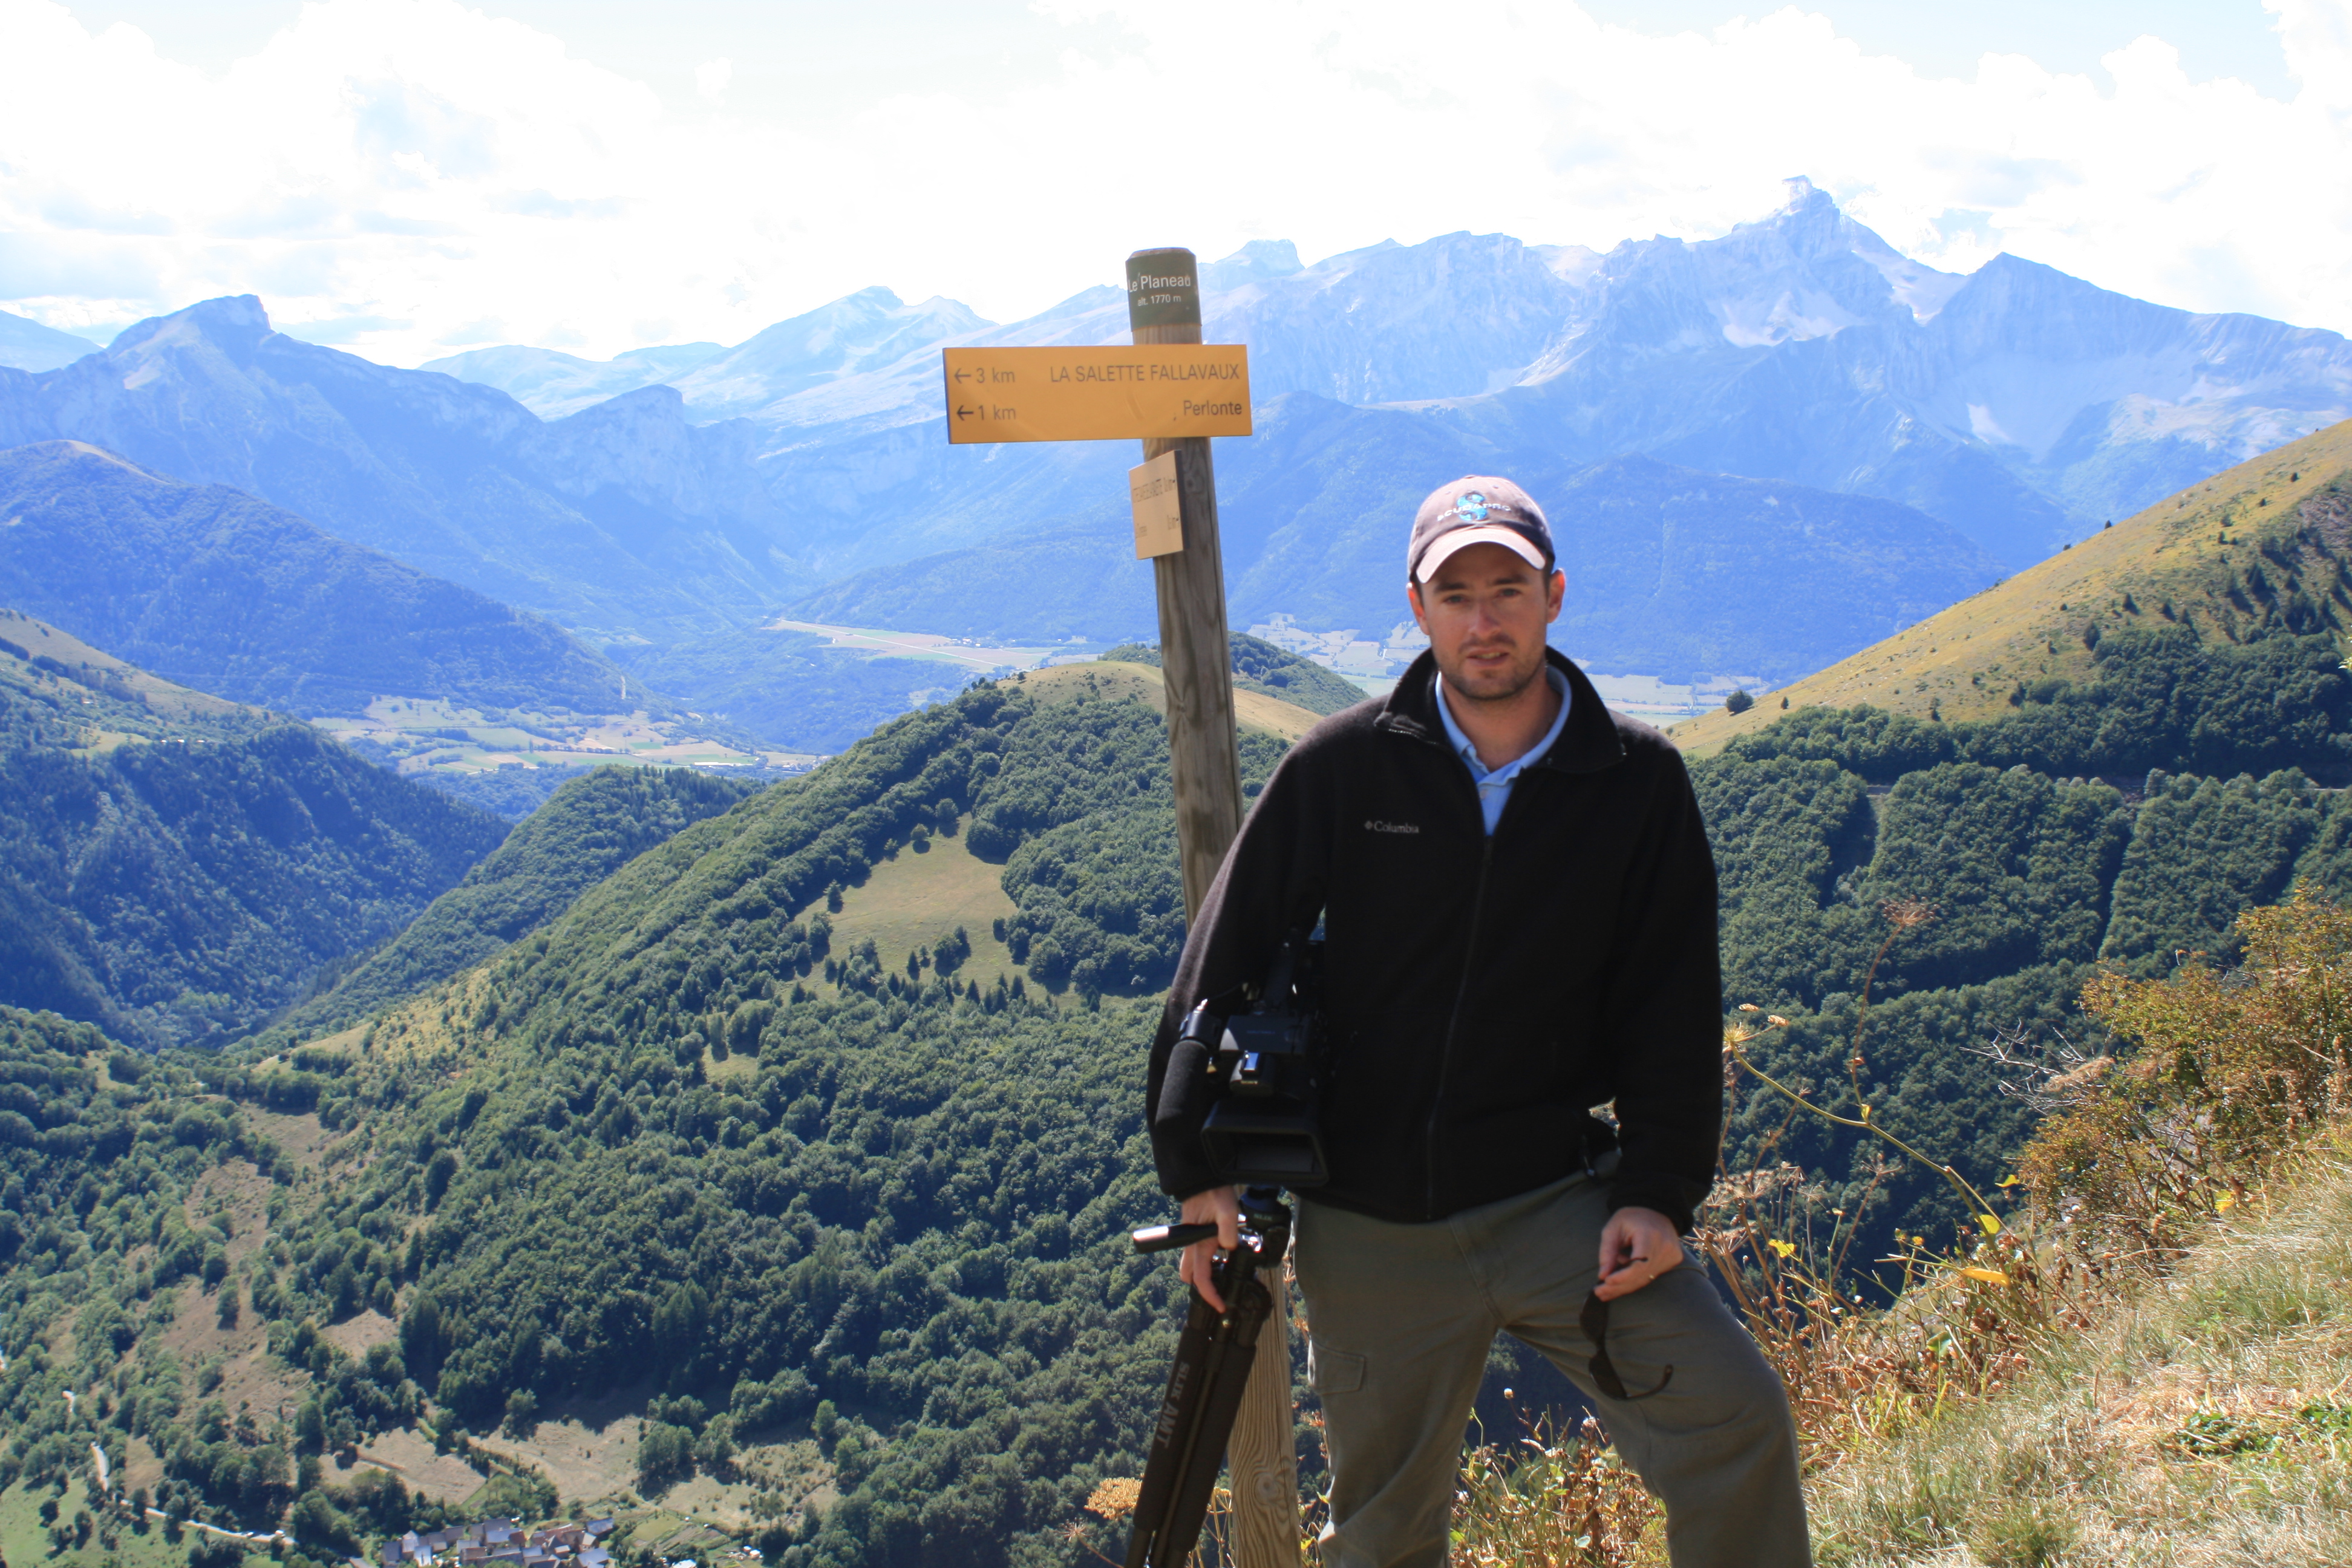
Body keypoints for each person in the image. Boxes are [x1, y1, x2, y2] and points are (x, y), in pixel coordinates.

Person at [1143, 476, 1810, 1567]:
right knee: (1384, 1536)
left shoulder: (1637, 785)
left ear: (1554, 596)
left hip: (1556, 1204)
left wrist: (1657, 1189)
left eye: (1508, 589)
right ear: (1418, 609)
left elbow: (1672, 1001)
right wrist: (1196, 1165)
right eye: (1457, 594)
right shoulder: (1344, 767)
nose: (1484, 619)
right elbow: (1219, 963)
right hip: (1366, 1227)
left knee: (1734, 1421)